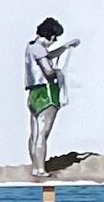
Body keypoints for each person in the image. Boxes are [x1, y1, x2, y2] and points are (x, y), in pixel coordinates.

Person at [25, 18, 81, 178]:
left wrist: (65, 47)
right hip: (46, 93)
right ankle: (41, 169)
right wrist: (59, 72)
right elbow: (48, 71)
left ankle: (36, 167)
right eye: (54, 38)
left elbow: (48, 55)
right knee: (43, 134)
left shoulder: (32, 46)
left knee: (35, 133)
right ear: (49, 35)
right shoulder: (39, 49)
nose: (54, 41)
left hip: (34, 94)